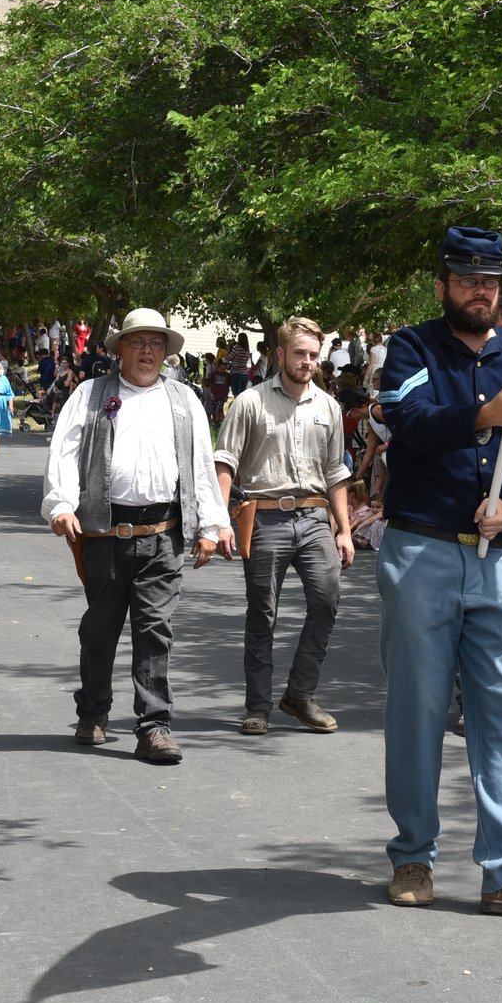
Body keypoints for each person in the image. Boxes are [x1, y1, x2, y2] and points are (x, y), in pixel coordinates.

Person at [369, 228, 502, 913]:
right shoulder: (412, 347)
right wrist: (481, 417)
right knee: (419, 707)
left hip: (500, 558)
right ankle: (412, 856)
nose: (481, 290)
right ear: (443, 285)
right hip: (422, 548)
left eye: (491, 280)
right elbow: (406, 418)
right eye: (467, 278)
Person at [43, 309, 234, 765]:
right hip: (105, 533)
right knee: (100, 629)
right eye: (137, 342)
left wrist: (212, 524)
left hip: (162, 535)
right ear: (120, 349)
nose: (147, 351)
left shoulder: (184, 399)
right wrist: (62, 504)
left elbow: (201, 465)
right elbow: (65, 452)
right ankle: (92, 711)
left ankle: (154, 726)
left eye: (155, 343)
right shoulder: (91, 394)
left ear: (166, 352)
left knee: (155, 630)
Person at [213, 316, 353, 738]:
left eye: (313, 355)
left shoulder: (329, 406)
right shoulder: (250, 402)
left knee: (326, 601)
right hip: (264, 516)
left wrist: (343, 530)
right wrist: (219, 520)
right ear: (279, 354)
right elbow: (225, 462)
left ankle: (299, 694)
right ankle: (258, 706)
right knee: (263, 614)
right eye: (300, 354)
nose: (307, 361)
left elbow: (336, 473)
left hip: (314, 518)